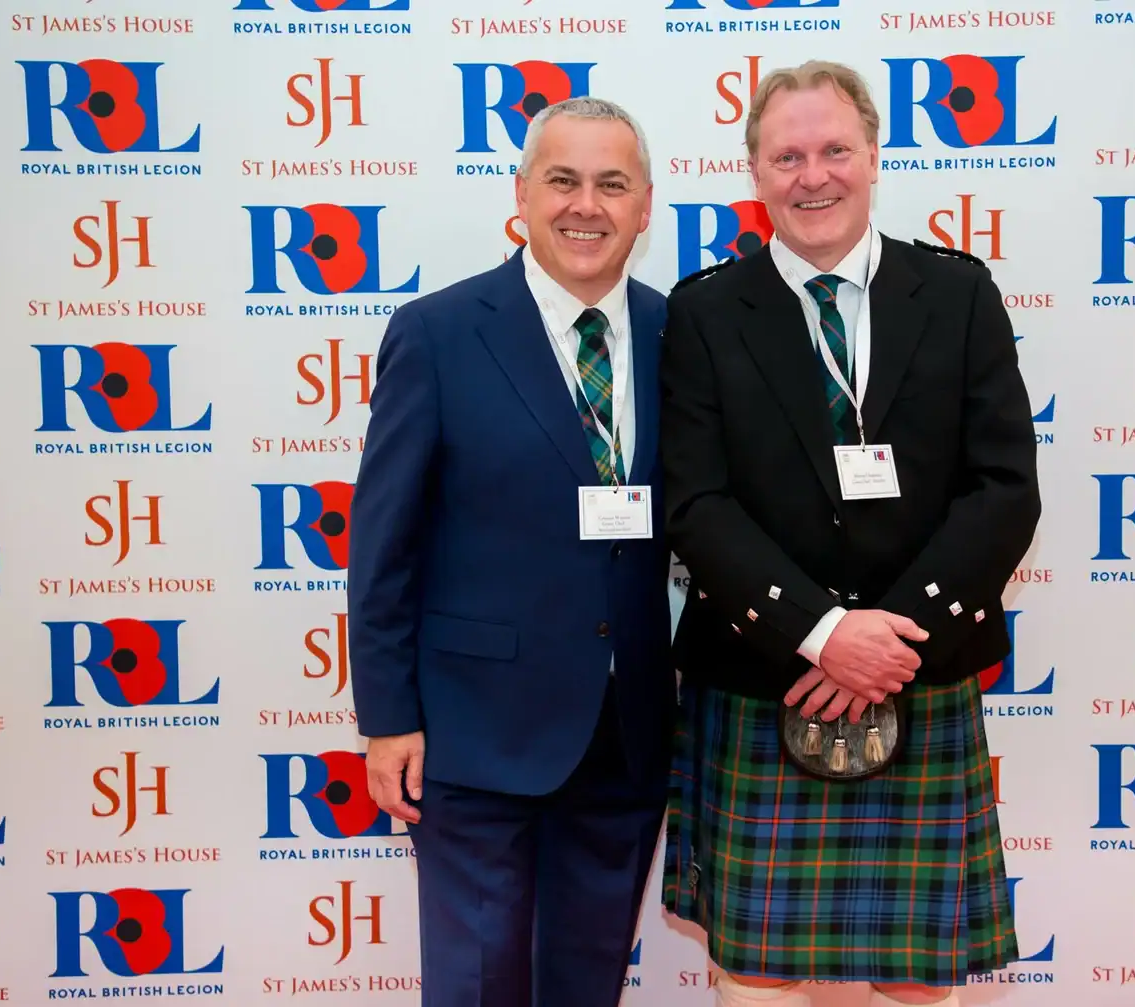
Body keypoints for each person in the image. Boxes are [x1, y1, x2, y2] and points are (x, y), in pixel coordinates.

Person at [658, 61, 1041, 1007]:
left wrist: (889, 639)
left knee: (915, 975)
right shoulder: (705, 311)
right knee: (755, 967)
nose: (812, 175)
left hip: (923, 668)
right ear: (754, 172)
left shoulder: (956, 293)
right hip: (762, 670)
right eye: (786, 155)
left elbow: (1005, 489)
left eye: (834, 150)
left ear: (873, 156)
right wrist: (826, 634)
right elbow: (695, 504)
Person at [346, 97, 675, 1007]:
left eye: (613, 184)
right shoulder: (439, 333)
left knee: (587, 983)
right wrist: (387, 716)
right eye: (563, 180)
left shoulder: (676, 333)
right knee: (477, 985)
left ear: (645, 207)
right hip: (471, 733)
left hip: (627, 731)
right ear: (523, 195)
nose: (587, 205)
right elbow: (383, 545)